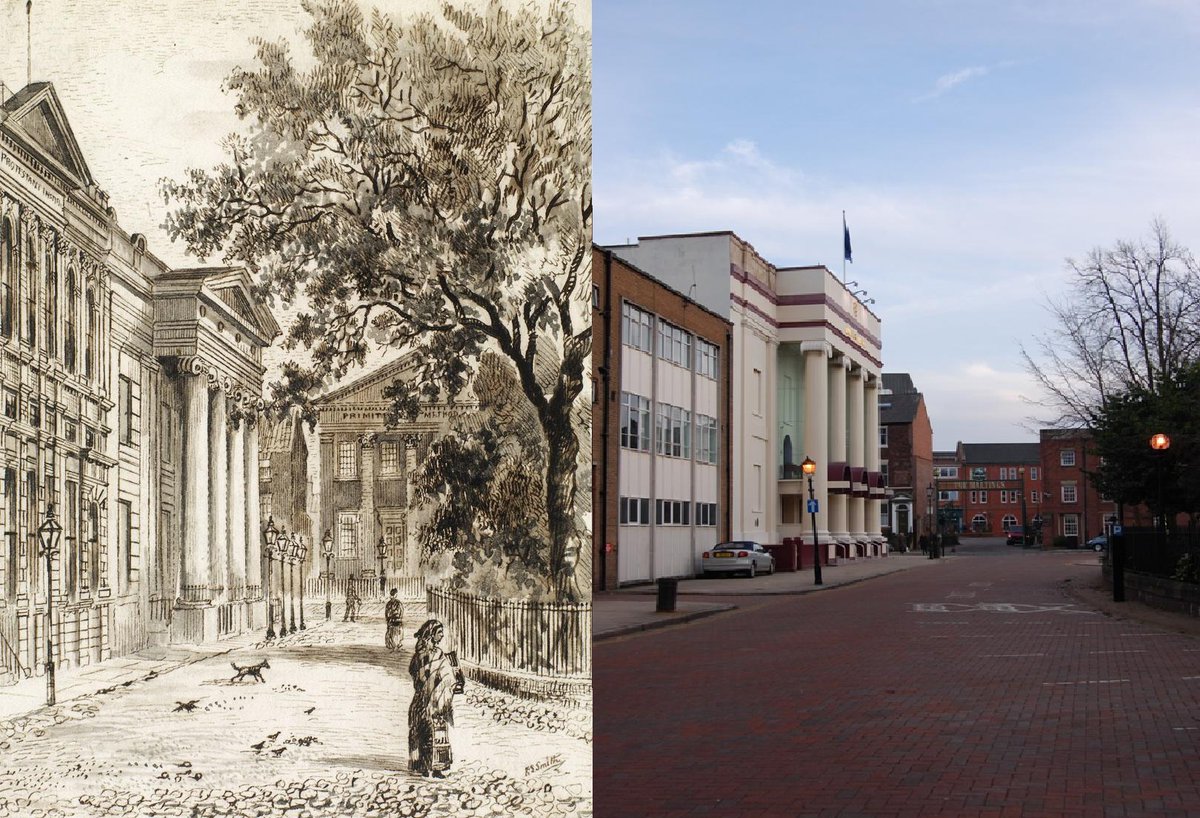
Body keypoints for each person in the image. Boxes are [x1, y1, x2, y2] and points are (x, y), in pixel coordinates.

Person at [408, 619, 465, 778]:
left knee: (439, 733)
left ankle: (438, 768)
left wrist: (452, 679)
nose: (441, 636)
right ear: (431, 634)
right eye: (439, 633)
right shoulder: (421, 655)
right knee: (424, 732)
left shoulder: (440, 654)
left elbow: (447, 674)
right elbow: (417, 675)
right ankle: (423, 766)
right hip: (423, 699)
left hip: (438, 699)